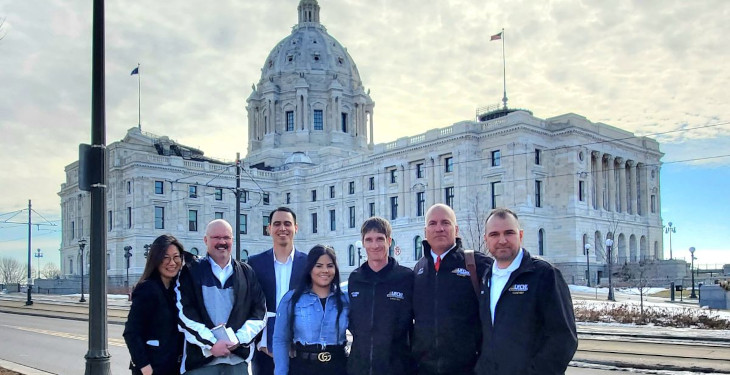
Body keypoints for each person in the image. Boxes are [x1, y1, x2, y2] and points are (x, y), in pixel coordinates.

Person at [475, 208, 577, 375]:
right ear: (486, 239)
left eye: (509, 233)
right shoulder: (486, 278)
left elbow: (564, 339)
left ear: (520, 235)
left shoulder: (544, 275)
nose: (502, 240)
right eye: (494, 234)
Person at [175, 219, 267, 374]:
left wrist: (237, 340)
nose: (222, 242)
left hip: (237, 363)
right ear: (205, 240)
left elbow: (259, 312)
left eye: (226, 238)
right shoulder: (191, 271)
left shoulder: (246, 273)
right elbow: (184, 313)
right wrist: (212, 344)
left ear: (232, 240)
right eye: (216, 237)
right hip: (201, 364)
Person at [412, 204, 491, 375]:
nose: (439, 228)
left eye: (445, 223)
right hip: (425, 370)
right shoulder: (419, 268)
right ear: (425, 232)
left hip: (468, 369)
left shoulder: (478, 264)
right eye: (433, 223)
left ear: (456, 229)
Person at [348, 217, 414, 375]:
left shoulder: (406, 277)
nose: (375, 245)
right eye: (369, 240)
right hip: (359, 369)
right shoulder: (355, 279)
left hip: (396, 368)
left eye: (380, 239)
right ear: (363, 242)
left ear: (389, 241)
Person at [248, 207, 308, 375]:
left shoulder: (308, 263)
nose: (282, 228)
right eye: (277, 224)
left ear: (296, 228)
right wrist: (260, 341)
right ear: (269, 229)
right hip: (264, 348)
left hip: (299, 348)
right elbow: (249, 304)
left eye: (287, 224)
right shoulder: (255, 263)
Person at [272, 245, 349, 375]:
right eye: (318, 266)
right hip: (303, 367)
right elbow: (281, 339)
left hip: (338, 366)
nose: (325, 270)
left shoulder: (345, 299)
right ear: (310, 269)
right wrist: (281, 371)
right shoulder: (292, 299)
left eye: (330, 266)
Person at [124, 234, 185, 375]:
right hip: (152, 369)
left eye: (176, 257)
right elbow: (131, 332)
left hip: (175, 368)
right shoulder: (147, 289)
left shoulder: (178, 290)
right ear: (156, 259)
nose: (172, 262)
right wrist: (145, 367)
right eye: (165, 257)